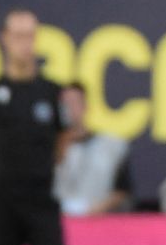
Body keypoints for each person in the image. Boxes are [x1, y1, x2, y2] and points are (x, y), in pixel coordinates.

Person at [0, 9, 69, 245]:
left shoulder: (53, 92)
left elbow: (63, 139)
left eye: (30, 36)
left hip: (42, 198)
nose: (24, 43)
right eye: (18, 36)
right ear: (4, 37)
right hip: (2, 200)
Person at [54, 83, 133, 216]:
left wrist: (95, 210)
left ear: (86, 106)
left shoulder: (111, 146)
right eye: (65, 104)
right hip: (56, 222)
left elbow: (123, 191)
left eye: (75, 102)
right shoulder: (47, 147)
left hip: (97, 222)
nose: (70, 109)